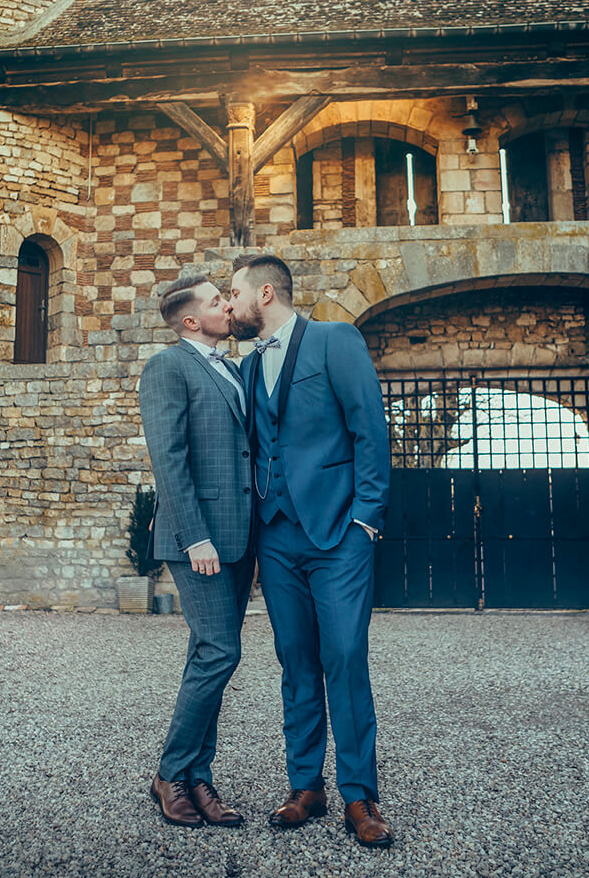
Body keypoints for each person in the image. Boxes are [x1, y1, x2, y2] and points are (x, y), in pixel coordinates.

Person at [228, 253, 394, 849]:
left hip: (338, 534)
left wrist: (366, 522)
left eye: (234, 293)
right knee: (295, 661)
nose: (229, 305)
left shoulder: (334, 340)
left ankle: (359, 794)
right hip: (274, 538)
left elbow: (370, 431)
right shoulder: (246, 367)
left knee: (345, 656)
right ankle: (306, 785)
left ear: (265, 293)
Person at [137, 275, 256, 828]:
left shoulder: (231, 366)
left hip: (238, 535)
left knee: (208, 651)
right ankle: (170, 773)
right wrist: (196, 535)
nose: (228, 306)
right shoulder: (168, 367)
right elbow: (170, 459)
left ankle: (196, 777)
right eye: (216, 302)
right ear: (190, 321)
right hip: (199, 539)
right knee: (220, 652)